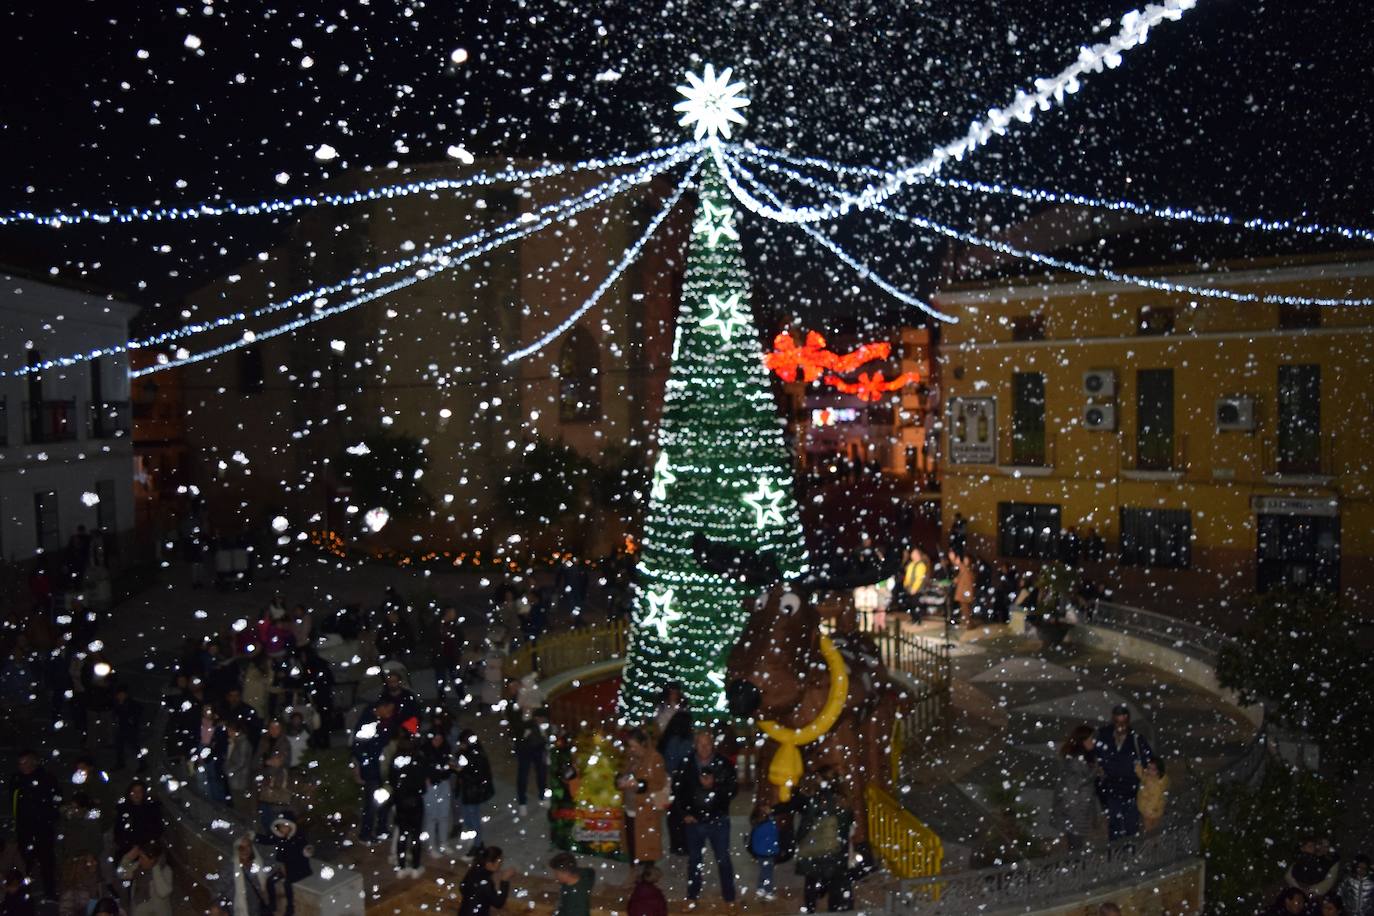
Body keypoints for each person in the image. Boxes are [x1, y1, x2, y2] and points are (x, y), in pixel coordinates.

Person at [673, 729, 738, 905]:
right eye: (700, 744)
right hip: (694, 822)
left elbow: (733, 789)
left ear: (712, 744)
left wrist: (714, 785)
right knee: (694, 861)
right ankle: (692, 896)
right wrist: (685, 813)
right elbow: (677, 790)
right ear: (695, 745)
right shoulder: (686, 763)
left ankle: (730, 898)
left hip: (718, 820)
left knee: (723, 859)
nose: (704, 747)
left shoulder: (723, 763)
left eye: (707, 743)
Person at [793, 769, 854, 913]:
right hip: (837, 849)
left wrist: (797, 840)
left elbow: (807, 824)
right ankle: (834, 909)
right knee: (835, 885)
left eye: (819, 778)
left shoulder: (817, 799)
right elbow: (847, 826)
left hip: (816, 848)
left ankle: (811, 909)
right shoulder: (844, 800)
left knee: (811, 882)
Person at [1094, 704, 1154, 841]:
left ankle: (1129, 855)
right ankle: (1116, 855)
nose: (1120, 726)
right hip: (1111, 789)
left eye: (1123, 722)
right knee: (1114, 826)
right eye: (1117, 722)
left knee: (1131, 826)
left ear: (1128, 721)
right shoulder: (1104, 736)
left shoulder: (1137, 740)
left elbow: (1149, 761)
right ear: (1113, 720)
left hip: (1131, 790)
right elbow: (1095, 756)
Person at [9, 749, 61, 902]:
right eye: (20, 763)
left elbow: (55, 799)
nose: (23, 766)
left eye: (26, 762)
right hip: (25, 828)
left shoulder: (46, 778)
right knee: (25, 863)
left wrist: (50, 817)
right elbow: (15, 801)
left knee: (46, 862)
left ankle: (49, 892)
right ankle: (25, 893)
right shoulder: (17, 779)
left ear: (34, 762)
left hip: (43, 828)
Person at [618, 729, 668, 866]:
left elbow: (659, 783)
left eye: (635, 746)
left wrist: (638, 784)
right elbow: (623, 774)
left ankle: (646, 881)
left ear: (644, 744)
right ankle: (634, 876)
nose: (632, 749)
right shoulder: (632, 759)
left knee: (646, 850)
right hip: (630, 809)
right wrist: (620, 781)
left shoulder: (655, 758)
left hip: (646, 812)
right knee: (632, 847)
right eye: (630, 746)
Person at [351, 698, 396, 844]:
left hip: (382, 767)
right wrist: (367, 764)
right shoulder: (368, 722)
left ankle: (381, 828)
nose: (390, 713)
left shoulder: (380, 721)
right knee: (371, 803)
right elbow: (358, 748)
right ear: (380, 707)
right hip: (372, 770)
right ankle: (365, 833)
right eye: (388, 709)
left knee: (385, 800)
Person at [1054, 725, 1101, 850]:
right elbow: (1074, 787)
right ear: (1082, 741)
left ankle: (1077, 866)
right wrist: (1095, 770)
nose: (1093, 742)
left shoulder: (1084, 757)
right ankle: (1077, 867)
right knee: (1076, 846)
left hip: (1079, 810)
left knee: (1076, 845)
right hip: (1075, 812)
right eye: (1090, 739)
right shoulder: (1075, 762)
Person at [255, 813, 312, 916]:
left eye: (285, 826)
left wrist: (286, 866)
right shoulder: (281, 838)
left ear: (291, 826)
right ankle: (273, 904)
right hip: (285, 867)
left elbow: (301, 854)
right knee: (270, 880)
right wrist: (254, 836)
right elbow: (268, 840)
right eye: (281, 826)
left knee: (287, 883)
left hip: (300, 868)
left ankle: (290, 907)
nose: (282, 829)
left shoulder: (298, 838)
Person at [390, 735, 429, 878]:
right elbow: (421, 783)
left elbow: (392, 780)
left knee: (402, 834)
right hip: (415, 801)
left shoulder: (396, 759)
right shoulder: (418, 759)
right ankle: (415, 866)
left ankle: (401, 866)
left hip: (401, 802)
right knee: (415, 835)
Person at [455, 730, 495, 857]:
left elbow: (477, 777)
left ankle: (477, 845)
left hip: (473, 793)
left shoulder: (476, 757)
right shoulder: (469, 754)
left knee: (473, 818)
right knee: (469, 818)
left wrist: (461, 771)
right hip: (469, 792)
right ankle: (476, 842)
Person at [119, 839, 173, 916]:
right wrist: (127, 858)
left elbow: (163, 893)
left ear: (152, 860)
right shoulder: (138, 867)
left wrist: (155, 868)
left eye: (142, 858)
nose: (140, 860)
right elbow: (121, 874)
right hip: (139, 908)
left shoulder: (165, 870)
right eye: (139, 857)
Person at [114, 780, 164, 859]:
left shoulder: (152, 809)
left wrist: (143, 847)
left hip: (148, 849)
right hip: (128, 850)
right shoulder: (122, 810)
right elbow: (118, 833)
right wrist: (131, 847)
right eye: (134, 791)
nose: (136, 794)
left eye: (139, 791)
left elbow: (157, 830)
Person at [223, 834, 271, 916]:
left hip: (258, 909)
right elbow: (221, 889)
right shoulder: (230, 869)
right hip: (239, 910)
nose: (245, 850)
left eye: (248, 846)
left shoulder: (258, 864)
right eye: (241, 848)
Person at [514, 706, 549, 817]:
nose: (542, 721)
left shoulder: (545, 726)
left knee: (542, 775)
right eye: (541, 719)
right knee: (523, 777)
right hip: (525, 752)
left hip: (538, 752)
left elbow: (545, 740)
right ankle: (522, 803)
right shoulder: (527, 725)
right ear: (536, 718)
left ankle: (542, 797)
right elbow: (518, 738)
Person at [458, 846, 514, 916]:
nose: (501, 864)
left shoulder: (473, 870)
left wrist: (478, 898)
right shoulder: (485, 882)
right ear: (489, 864)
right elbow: (498, 903)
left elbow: (462, 888)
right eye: (499, 861)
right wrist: (504, 881)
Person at [749, 803, 780, 899]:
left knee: (764, 870)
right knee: (768, 873)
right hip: (768, 852)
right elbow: (774, 835)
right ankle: (768, 891)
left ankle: (760, 888)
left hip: (760, 852)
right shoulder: (768, 824)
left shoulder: (757, 825)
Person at [549, 852, 595, 916]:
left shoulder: (575, 900)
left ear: (566, 873)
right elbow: (590, 871)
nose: (555, 876)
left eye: (557, 873)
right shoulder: (583, 875)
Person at [111, 685, 143, 771]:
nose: (121, 696)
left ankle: (142, 764)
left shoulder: (131, 704)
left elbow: (137, 712)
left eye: (122, 694)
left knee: (135, 747)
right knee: (119, 747)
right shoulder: (116, 704)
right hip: (122, 728)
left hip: (130, 729)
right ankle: (120, 763)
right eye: (119, 695)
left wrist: (132, 720)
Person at [1136, 758, 1169, 833]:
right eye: (1148, 768)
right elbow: (1143, 776)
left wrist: (1148, 811)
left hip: (1150, 814)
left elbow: (1155, 798)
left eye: (1153, 769)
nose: (1149, 770)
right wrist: (1138, 767)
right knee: (1151, 832)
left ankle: (1152, 843)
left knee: (1149, 833)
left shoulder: (1156, 784)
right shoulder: (1150, 778)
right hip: (1150, 812)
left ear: (1158, 771)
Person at [898, 548, 928, 617]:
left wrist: (914, 588)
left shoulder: (921, 565)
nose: (913, 555)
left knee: (916, 604)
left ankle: (917, 619)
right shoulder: (911, 564)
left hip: (918, 589)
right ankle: (914, 618)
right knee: (911, 604)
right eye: (912, 554)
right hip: (910, 588)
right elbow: (907, 576)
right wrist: (905, 584)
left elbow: (919, 578)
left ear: (919, 555)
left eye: (915, 553)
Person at [951, 550, 975, 627]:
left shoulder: (968, 569)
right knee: (965, 609)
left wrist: (953, 560)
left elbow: (960, 566)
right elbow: (961, 577)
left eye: (966, 559)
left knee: (966, 609)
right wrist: (956, 580)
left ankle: (969, 624)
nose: (964, 561)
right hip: (963, 592)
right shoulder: (966, 569)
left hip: (965, 592)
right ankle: (967, 622)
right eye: (964, 559)